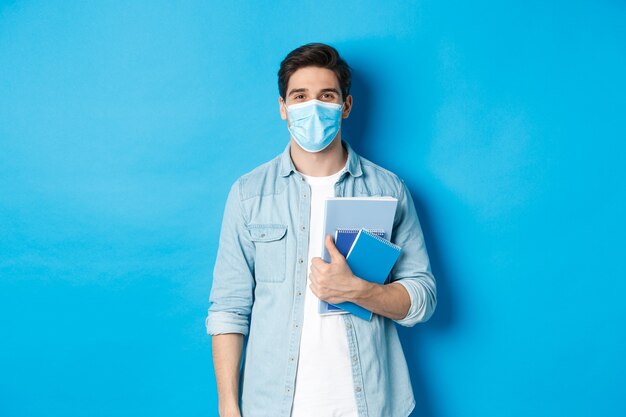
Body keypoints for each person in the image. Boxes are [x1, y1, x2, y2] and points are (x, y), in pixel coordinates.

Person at [206, 43, 437, 417]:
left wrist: (360, 291)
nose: (312, 106)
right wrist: (229, 407)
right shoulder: (249, 194)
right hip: (272, 406)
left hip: (369, 403)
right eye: (300, 96)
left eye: (326, 96)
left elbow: (422, 297)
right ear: (283, 108)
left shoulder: (388, 189)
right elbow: (229, 309)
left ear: (346, 105)